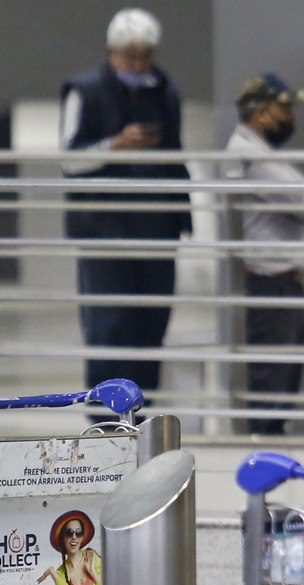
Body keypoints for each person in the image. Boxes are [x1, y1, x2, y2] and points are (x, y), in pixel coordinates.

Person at [60, 7, 192, 404]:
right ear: (110, 51)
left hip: (157, 226)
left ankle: (141, 411)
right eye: (128, 56)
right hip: (105, 230)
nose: (137, 64)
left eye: (144, 56)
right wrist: (115, 145)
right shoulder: (83, 90)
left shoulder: (165, 90)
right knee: (110, 324)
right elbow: (69, 159)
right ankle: (104, 417)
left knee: (151, 322)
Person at [224, 73, 304, 435]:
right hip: (269, 283)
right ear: (262, 112)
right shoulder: (249, 155)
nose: (290, 117)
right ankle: (259, 453)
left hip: (283, 282)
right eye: (285, 108)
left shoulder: (260, 153)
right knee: (270, 383)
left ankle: (270, 441)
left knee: (286, 378)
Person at [37, 510, 103, 585]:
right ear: (63, 538)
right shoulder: (61, 572)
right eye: (69, 533)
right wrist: (54, 574)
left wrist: (93, 573)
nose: (74, 537)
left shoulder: (92, 558)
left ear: (82, 537)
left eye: (78, 533)